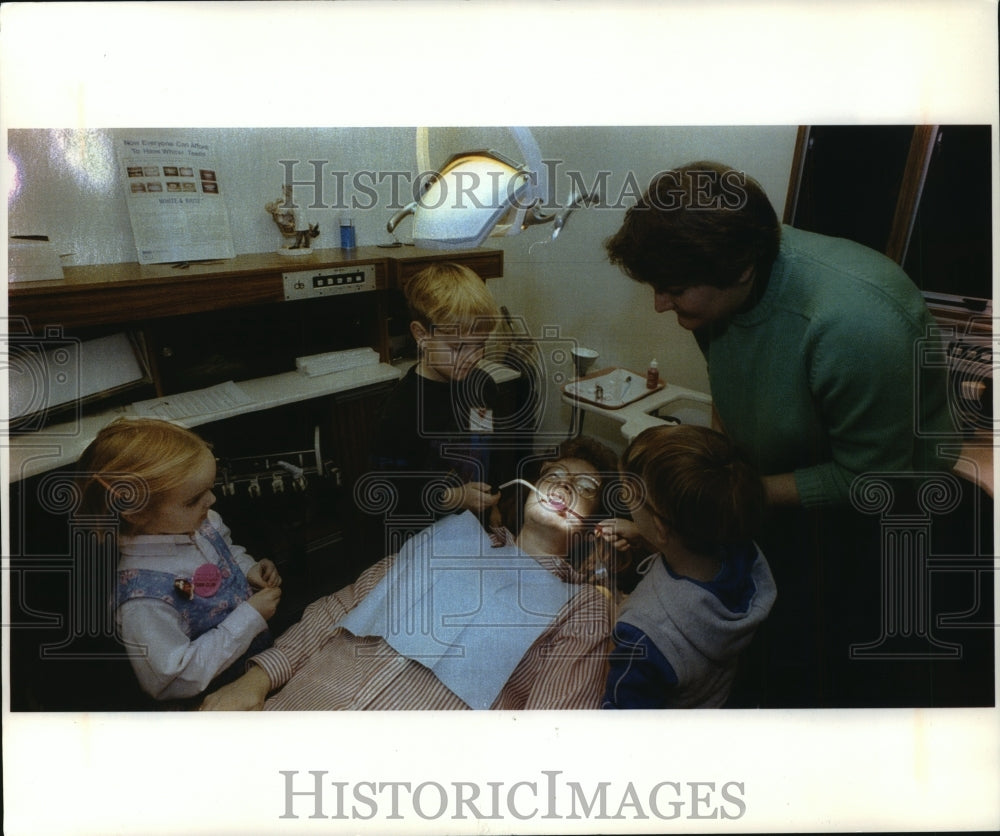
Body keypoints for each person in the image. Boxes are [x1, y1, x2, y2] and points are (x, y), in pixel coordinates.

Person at [604, 161, 969, 707]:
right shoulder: (719, 293)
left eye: (674, 289)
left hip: (882, 512)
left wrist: (727, 495)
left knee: (821, 669)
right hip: (778, 487)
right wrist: (719, 474)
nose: (660, 304)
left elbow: (877, 478)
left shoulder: (857, 326)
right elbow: (732, 386)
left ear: (743, 268)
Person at [198, 437, 619, 711]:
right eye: (554, 477)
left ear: (596, 524)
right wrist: (256, 679)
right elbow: (339, 608)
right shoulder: (448, 539)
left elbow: (549, 738)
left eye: (583, 489)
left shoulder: (581, 611)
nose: (562, 488)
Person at [76, 417, 282, 702]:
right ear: (136, 513)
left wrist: (248, 569)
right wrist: (250, 618)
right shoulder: (143, 602)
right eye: (193, 499)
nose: (211, 500)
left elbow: (227, 550)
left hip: (260, 663)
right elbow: (173, 679)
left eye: (209, 488)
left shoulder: (199, 522)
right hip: (216, 700)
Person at [598, 425, 777, 709]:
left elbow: (623, 722)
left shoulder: (642, 634)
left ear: (661, 528)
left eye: (625, 493)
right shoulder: (744, 552)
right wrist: (648, 538)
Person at [368, 262, 506, 525]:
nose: (472, 358)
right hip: (424, 536)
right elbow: (390, 493)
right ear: (421, 335)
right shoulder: (399, 411)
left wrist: (492, 507)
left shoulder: (482, 387)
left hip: (476, 523)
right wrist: (456, 497)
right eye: (457, 348)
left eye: (480, 346)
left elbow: (487, 452)